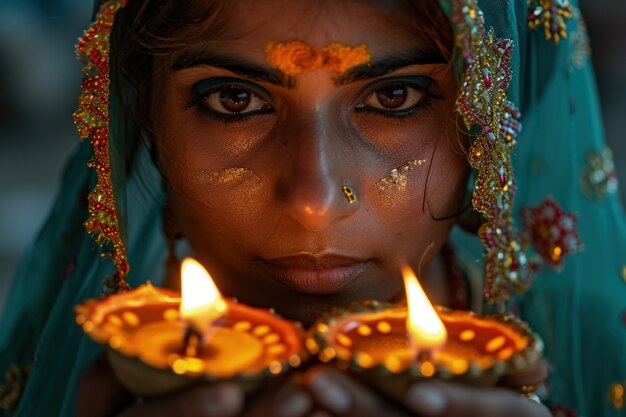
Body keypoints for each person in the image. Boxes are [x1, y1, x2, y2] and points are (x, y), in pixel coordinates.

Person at [0, 0, 624, 416]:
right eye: (235, 100)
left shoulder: (596, 361)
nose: (314, 202)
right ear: (147, 120)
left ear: (485, 128)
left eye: (395, 96)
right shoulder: (71, 384)